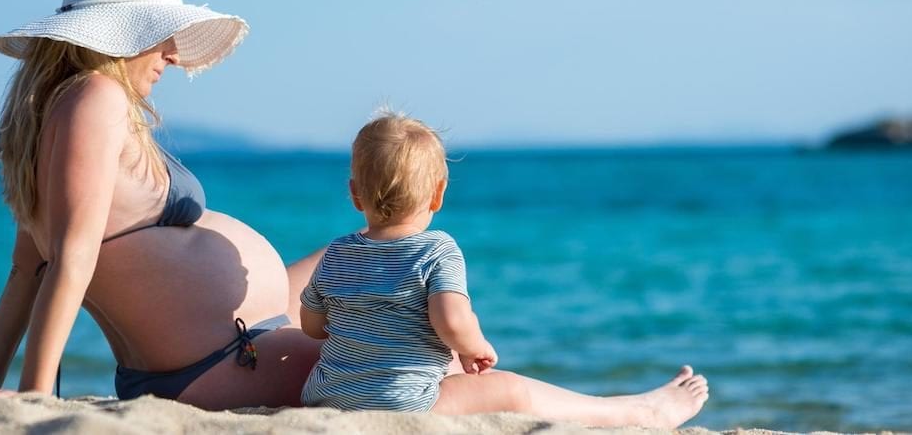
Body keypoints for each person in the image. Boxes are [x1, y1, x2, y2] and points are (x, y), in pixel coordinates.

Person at [0, 0, 323, 410]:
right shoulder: (96, 98)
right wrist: (34, 397)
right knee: (430, 356)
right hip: (223, 359)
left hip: (228, 344)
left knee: (375, 250)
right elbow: (68, 259)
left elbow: (25, 269)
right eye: (161, 36)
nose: (173, 55)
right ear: (121, 34)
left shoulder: (57, 114)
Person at [298, 112, 710, 428]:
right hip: (408, 406)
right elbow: (452, 320)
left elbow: (313, 326)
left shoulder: (336, 253)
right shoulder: (437, 249)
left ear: (354, 194)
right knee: (511, 389)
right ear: (439, 194)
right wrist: (473, 347)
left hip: (323, 399)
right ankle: (636, 415)